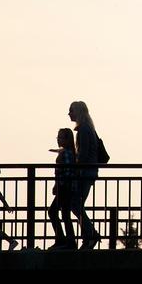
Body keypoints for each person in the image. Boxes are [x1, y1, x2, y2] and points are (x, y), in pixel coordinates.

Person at [69, 101, 100, 250]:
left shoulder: (84, 130)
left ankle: (91, 233)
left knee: (74, 204)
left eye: (71, 111)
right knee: (78, 204)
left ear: (78, 112)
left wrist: (72, 158)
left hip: (86, 171)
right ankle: (87, 238)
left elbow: (84, 153)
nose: (69, 114)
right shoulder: (89, 128)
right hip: (89, 171)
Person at [47, 128, 77, 250]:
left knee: (52, 211)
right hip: (69, 187)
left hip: (66, 188)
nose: (58, 140)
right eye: (58, 137)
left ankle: (61, 239)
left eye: (61, 137)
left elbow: (67, 172)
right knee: (65, 214)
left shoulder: (65, 153)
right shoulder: (68, 152)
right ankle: (70, 242)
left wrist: (59, 186)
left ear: (67, 139)